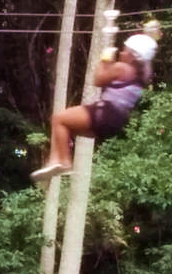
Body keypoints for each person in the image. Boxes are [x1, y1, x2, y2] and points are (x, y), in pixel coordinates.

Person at [32, 32, 158, 181]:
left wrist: (104, 59)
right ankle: (55, 160)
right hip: (117, 122)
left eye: (125, 50)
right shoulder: (139, 76)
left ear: (132, 56)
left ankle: (64, 162)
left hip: (105, 113)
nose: (121, 52)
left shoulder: (122, 68)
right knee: (66, 127)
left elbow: (98, 80)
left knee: (59, 119)